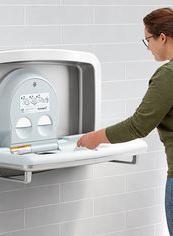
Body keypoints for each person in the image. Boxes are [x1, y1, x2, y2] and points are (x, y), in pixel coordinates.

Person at [77, 7, 173, 235]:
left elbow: (137, 126)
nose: (148, 47)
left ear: (162, 37)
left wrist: (93, 137)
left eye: (148, 39)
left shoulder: (168, 75)